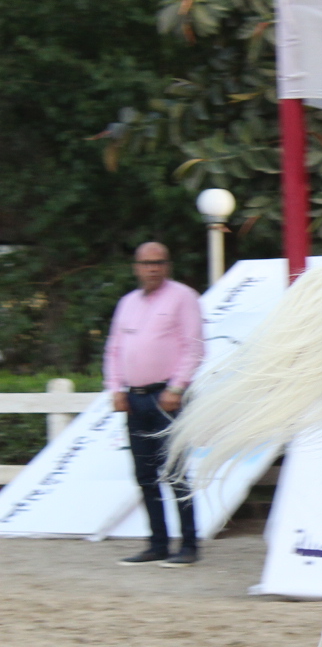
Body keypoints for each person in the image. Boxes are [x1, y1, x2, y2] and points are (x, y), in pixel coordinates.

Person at [104, 241, 205, 567]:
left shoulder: (183, 297)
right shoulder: (127, 303)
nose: (153, 268)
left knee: (176, 473)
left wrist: (177, 387)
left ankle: (189, 545)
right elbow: (114, 349)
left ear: (168, 265)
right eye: (147, 263)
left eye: (159, 262)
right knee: (144, 475)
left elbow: (194, 347)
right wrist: (115, 388)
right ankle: (157, 543)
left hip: (167, 398)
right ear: (136, 267)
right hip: (134, 398)